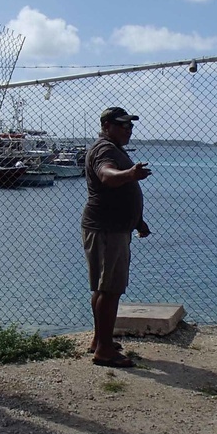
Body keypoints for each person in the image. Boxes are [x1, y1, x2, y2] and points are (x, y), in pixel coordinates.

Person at [82, 106, 151, 368]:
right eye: (123, 125)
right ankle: (104, 350)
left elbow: (119, 190)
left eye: (131, 126)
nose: (129, 130)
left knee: (104, 287)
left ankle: (100, 340)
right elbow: (106, 176)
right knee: (110, 289)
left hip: (112, 226)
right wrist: (130, 174)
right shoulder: (105, 150)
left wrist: (137, 221)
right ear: (107, 125)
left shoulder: (113, 148)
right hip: (107, 229)